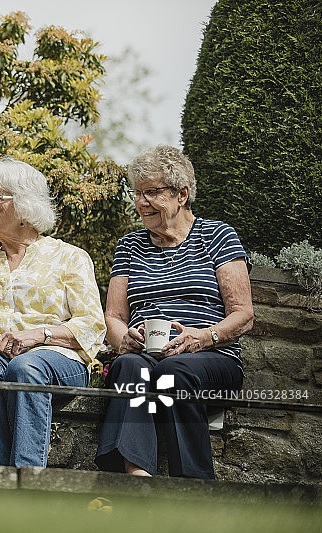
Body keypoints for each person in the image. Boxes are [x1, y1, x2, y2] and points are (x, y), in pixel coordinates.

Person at [95, 145, 254, 479]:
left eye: (151, 192)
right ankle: (138, 477)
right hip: (147, 354)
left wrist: (202, 337)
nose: (141, 202)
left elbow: (243, 315)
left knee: (175, 369)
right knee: (127, 365)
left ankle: (193, 487)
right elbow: (113, 316)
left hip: (212, 357)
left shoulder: (217, 235)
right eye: (137, 193)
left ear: (182, 193)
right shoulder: (129, 246)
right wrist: (124, 338)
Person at [0, 157, 106, 467]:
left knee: (25, 367)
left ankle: (25, 477)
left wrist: (36, 335)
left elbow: (92, 323)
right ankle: (17, 476)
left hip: (58, 361)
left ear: (25, 206)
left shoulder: (70, 257)